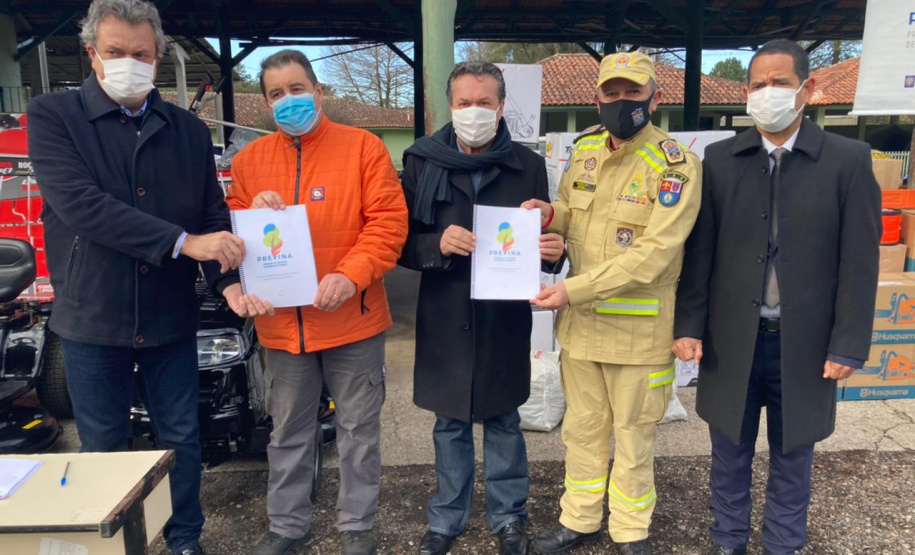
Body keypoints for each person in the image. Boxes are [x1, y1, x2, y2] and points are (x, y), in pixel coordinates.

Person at [26, 1, 246, 554]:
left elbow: (211, 219)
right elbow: (81, 206)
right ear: (92, 54)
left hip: (170, 314)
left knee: (182, 439)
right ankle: (119, 543)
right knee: (103, 445)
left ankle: (185, 538)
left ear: (157, 56)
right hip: (92, 317)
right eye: (116, 52)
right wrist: (181, 242)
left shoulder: (187, 130)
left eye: (141, 54)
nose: (130, 62)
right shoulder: (55, 117)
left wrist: (228, 283)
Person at [672, 38, 881, 555]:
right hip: (732, 341)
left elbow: (860, 262)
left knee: (794, 455)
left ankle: (783, 545)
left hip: (805, 345)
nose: (768, 93)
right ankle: (729, 541)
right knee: (728, 453)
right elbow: (700, 256)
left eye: (780, 83)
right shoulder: (720, 160)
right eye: (758, 85)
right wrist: (688, 325)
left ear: (807, 89)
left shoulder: (848, 160)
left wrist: (847, 343)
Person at [223, 49, 408, 555]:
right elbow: (232, 237)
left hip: (353, 319)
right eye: (276, 94)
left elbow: (388, 225)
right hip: (282, 328)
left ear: (319, 91)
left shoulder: (364, 148)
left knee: (358, 432)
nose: (288, 100)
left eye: (297, 89)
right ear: (265, 103)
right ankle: (286, 527)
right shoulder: (249, 163)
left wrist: (350, 276)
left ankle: (356, 529)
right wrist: (251, 214)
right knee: (287, 433)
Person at [522, 52, 701, 555]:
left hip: (639, 336)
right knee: (581, 433)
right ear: (596, 98)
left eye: (633, 93)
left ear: (655, 98)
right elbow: (575, 227)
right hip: (580, 332)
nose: (622, 102)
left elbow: (655, 254)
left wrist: (572, 289)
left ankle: (629, 531)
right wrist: (550, 216)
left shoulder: (675, 164)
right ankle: (578, 520)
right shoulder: (583, 154)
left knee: (634, 439)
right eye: (612, 93)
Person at [398, 61, 565, 555]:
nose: (474, 111)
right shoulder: (420, 161)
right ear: (450, 106)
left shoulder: (527, 165)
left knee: (504, 419)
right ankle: (446, 518)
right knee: (448, 422)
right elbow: (398, 243)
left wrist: (553, 251)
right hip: (445, 313)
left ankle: (509, 517)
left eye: (484, 102)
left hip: (501, 317)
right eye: (464, 103)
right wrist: (436, 243)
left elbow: (543, 235)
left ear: (500, 106)